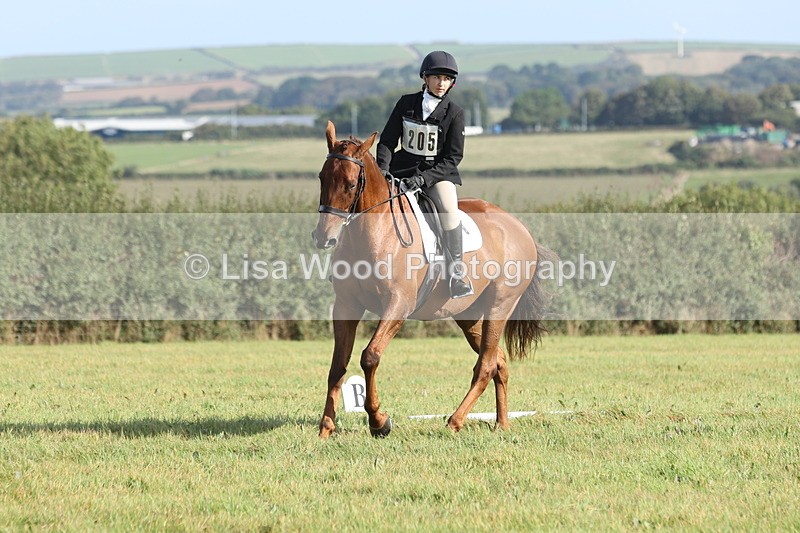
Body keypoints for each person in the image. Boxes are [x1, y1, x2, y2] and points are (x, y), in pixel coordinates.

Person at [376, 50, 473, 299]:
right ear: (425, 78)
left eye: (447, 79)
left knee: (449, 212)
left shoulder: (455, 112)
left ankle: (457, 273)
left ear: (452, 83)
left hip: (437, 175)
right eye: (437, 77)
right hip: (400, 169)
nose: (442, 83)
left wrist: (424, 179)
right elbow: (387, 141)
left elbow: (453, 157)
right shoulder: (406, 103)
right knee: (366, 202)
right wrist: (383, 171)